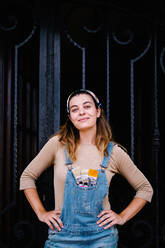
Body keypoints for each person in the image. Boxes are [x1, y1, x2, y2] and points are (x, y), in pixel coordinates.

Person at [19, 89, 153, 248]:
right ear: (70, 117)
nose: (81, 112)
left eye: (87, 106)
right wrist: (40, 212)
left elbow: (145, 188)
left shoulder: (113, 152)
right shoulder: (58, 145)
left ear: (98, 111)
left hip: (103, 239)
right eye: (74, 109)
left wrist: (122, 217)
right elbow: (27, 176)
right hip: (61, 239)